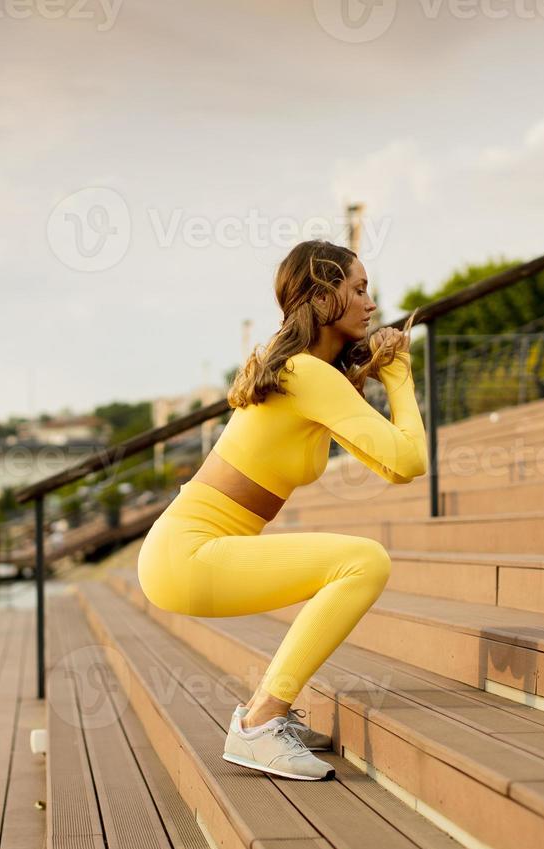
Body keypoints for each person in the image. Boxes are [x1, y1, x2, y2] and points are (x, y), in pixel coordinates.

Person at [136, 239, 427, 780]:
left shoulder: (308, 375)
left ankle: (266, 719)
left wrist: (378, 371)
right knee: (364, 561)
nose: (372, 303)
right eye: (358, 289)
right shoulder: (305, 374)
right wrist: (400, 370)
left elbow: (391, 466)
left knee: (359, 562)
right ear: (322, 298)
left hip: (188, 550)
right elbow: (410, 460)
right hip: (189, 553)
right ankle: (259, 725)